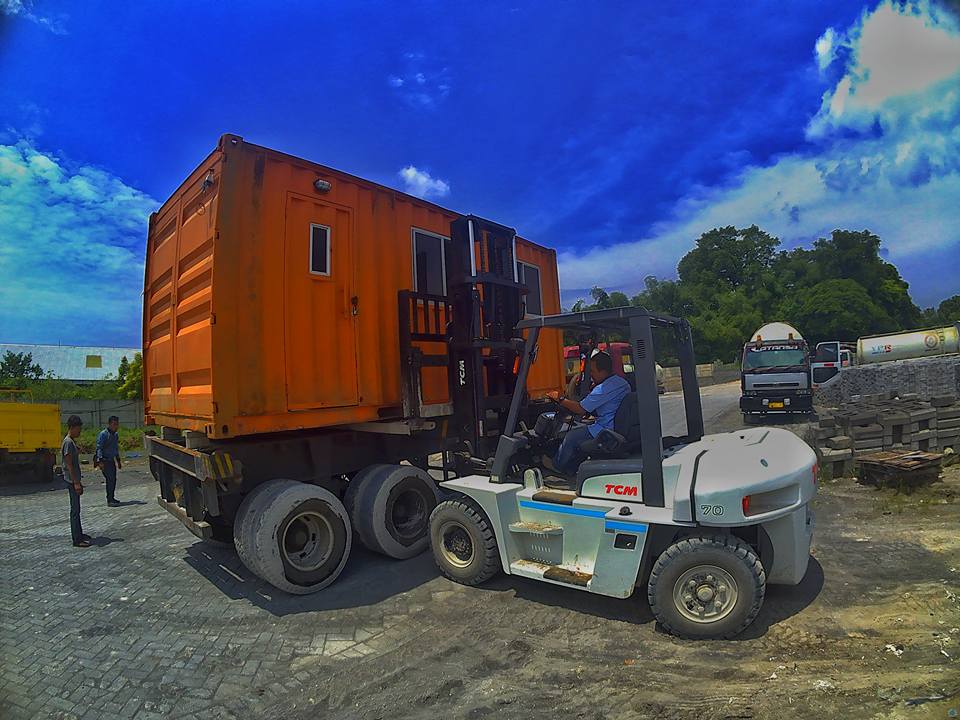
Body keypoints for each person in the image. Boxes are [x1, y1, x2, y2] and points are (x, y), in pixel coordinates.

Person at [545, 351, 630, 475]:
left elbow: (580, 409)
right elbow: (608, 405)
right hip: (615, 424)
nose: (591, 375)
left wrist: (560, 399)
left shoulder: (603, 389)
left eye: (593, 372)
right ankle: (573, 466)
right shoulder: (621, 383)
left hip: (606, 429)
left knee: (571, 436)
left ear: (603, 371)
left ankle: (557, 465)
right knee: (581, 428)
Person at [62, 415, 91, 548]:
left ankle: (79, 533)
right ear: (72, 428)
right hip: (72, 481)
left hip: (74, 480)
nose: (80, 431)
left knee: (77, 509)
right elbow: (69, 465)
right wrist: (76, 483)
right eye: (78, 429)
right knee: (75, 510)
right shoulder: (68, 442)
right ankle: (77, 539)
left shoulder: (71, 442)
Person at [95, 415, 122, 506]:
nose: (116, 426)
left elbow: (115, 449)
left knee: (113, 480)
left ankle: (112, 497)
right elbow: (99, 448)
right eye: (114, 424)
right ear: (109, 424)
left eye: (117, 424)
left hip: (111, 460)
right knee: (110, 479)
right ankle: (109, 499)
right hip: (105, 460)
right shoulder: (104, 434)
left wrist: (118, 461)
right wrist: (100, 461)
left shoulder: (115, 435)